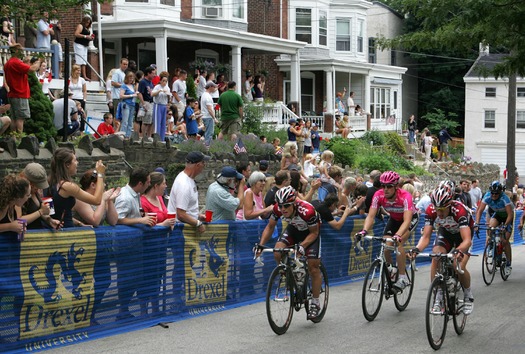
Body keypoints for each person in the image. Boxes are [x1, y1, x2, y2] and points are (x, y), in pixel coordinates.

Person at [257, 186, 322, 320]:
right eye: (280, 206)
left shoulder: (307, 211)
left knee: (313, 267)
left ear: (294, 203)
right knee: (277, 251)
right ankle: (289, 276)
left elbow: (314, 233)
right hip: (293, 229)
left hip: (310, 233)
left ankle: (315, 302)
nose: (283, 209)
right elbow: (270, 226)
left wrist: (302, 246)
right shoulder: (277, 209)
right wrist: (261, 245)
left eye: (286, 205)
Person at [410, 184, 474, 315]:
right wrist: (416, 249)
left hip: (463, 235)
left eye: (442, 210)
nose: (439, 213)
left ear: (450, 205)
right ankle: (438, 295)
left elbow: (467, 240)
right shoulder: (430, 210)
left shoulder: (459, 211)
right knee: (436, 256)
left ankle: (468, 295)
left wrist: (459, 250)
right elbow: (426, 237)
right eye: (437, 209)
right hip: (446, 232)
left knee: (458, 265)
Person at [355, 171, 418, 291]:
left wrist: (398, 235)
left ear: (396, 187)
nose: (385, 189)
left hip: (409, 220)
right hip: (394, 218)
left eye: (389, 186)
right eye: (383, 186)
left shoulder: (405, 196)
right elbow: (371, 216)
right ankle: (391, 269)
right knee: (385, 245)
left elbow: (407, 220)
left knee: (397, 243)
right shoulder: (378, 195)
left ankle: (403, 278)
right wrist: (364, 231)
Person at [48, 148, 107, 228]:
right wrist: (100, 174)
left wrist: (80, 224)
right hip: (66, 231)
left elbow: (58, 212)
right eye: (75, 160)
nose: (77, 163)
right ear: (67, 165)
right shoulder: (68, 186)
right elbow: (97, 200)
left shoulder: (51, 182)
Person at [474, 181, 514, 276]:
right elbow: (479, 211)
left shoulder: (505, 198)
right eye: (492, 193)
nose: (494, 195)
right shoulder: (487, 196)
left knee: (504, 241)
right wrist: (477, 223)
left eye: (496, 193)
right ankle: (492, 246)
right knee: (490, 228)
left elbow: (510, 214)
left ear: (500, 192)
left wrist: (505, 225)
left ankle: (508, 264)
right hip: (498, 215)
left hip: (508, 217)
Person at [167, 151, 210, 232]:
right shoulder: (184, 184)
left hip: (186, 230)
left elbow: (187, 209)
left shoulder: (189, 180)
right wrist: (198, 223)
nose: (204, 165)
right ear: (198, 165)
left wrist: (197, 216)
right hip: (180, 231)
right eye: (203, 163)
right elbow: (181, 214)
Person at [4, 43, 42, 133]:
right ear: (16, 51)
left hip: (12, 93)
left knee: (14, 118)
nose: (23, 52)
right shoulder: (16, 62)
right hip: (20, 93)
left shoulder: (8, 63)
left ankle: (13, 139)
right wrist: (38, 61)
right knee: (20, 118)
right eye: (21, 50)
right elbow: (32, 69)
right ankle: (19, 138)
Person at [18, 163, 59, 230]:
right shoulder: (19, 194)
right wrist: (40, 212)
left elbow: (40, 212)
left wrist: (50, 221)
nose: (38, 188)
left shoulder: (36, 192)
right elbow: (19, 220)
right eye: (36, 185)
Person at [151, 72, 172, 141]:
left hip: (164, 106)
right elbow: (152, 94)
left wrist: (168, 95)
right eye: (163, 81)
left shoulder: (167, 88)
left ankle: (162, 139)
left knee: (163, 123)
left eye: (166, 81)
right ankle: (157, 139)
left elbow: (169, 96)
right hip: (158, 105)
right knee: (157, 122)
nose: (164, 82)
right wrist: (159, 91)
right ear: (160, 81)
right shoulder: (157, 87)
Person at [73, 15, 94, 81]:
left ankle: (84, 76)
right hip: (79, 44)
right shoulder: (80, 26)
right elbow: (76, 34)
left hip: (85, 45)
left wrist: (90, 38)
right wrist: (85, 36)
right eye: (87, 22)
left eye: (89, 23)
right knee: (79, 60)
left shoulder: (87, 28)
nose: (88, 24)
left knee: (84, 61)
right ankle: (76, 75)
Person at [119, 71, 138, 138]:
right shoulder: (124, 85)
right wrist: (131, 95)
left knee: (130, 122)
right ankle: (122, 134)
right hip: (126, 104)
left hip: (132, 105)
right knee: (125, 121)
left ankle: (128, 135)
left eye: (132, 78)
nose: (131, 79)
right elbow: (121, 95)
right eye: (130, 78)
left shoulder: (133, 86)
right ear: (127, 78)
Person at [200, 81, 218, 146]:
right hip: (208, 117)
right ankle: (207, 147)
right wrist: (214, 118)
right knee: (209, 133)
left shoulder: (204, 95)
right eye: (214, 87)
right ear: (210, 87)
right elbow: (209, 109)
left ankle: (206, 145)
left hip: (205, 116)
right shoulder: (207, 96)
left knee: (207, 132)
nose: (215, 88)